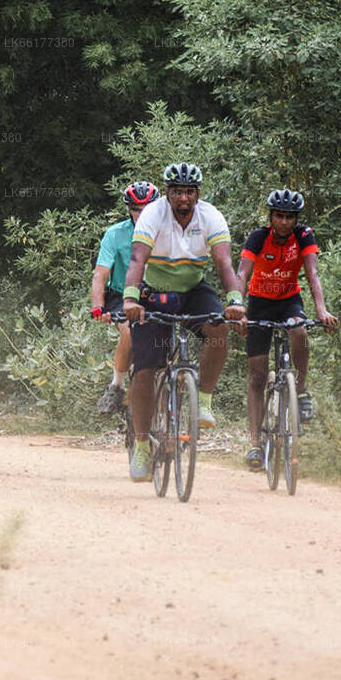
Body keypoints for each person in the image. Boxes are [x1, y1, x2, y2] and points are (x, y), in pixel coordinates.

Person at [122, 162, 246, 482]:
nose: (183, 198)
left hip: (192, 290)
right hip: (154, 293)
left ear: (197, 193)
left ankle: (203, 401)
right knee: (145, 369)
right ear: (167, 193)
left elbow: (224, 262)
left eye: (189, 191)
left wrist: (235, 301)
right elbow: (137, 258)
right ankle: (141, 445)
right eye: (177, 191)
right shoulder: (152, 214)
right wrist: (131, 298)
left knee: (218, 327)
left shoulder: (211, 216)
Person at [236, 188, 339, 470]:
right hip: (259, 304)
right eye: (279, 216)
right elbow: (242, 273)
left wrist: (321, 310)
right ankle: (255, 444)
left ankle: (301, 390)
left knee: (299, 330)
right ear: (271, 217)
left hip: (289, 302)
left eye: (290, 217)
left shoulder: (303, 236)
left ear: (296, 219)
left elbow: (312, 274)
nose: (284, 222)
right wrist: (238, 308)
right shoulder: (258, 237)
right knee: (257, 377)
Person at [91, 181, 160, 415]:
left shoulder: (167, 232)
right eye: (136, 209)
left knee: (169, 339)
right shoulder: (115, 234)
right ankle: (116, 386)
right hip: (121, 294)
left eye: (147, 209)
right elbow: (100, 274)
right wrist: (98, 306)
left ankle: (172, 397)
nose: (141, 215)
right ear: (129, 209)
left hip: (156, 293)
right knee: (129, 333)